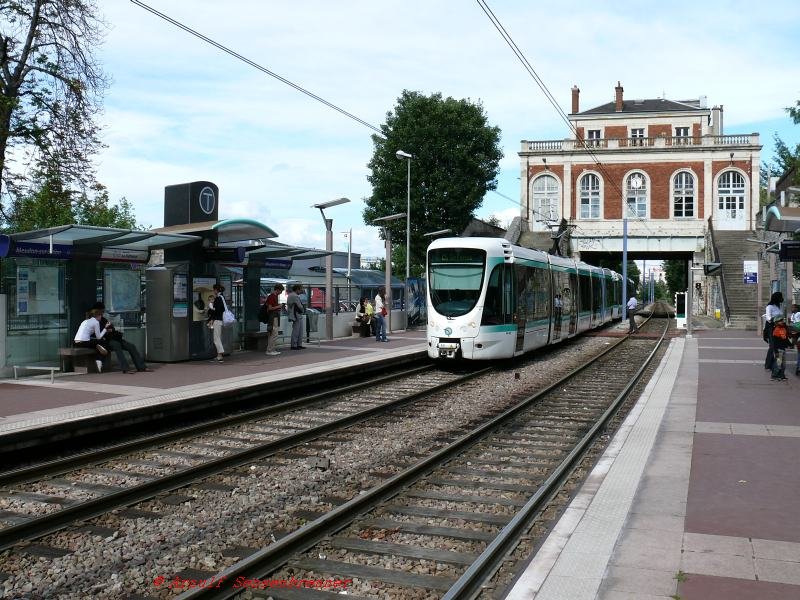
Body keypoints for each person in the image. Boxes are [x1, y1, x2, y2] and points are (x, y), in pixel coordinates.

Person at [91, 302, 149, 373]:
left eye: (103, 311)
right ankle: (125, 368)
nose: (102, 313)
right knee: (117, 345)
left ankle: (141, 367)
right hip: (106, 341)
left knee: (131, 346)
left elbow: (112, 328)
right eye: (101, 311)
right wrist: (106, 331)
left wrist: (111, 330)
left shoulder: (103, 319)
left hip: (114, 338)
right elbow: (95, 335)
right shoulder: (92, 321)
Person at [74, 308, 110, 373]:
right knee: (103, 342)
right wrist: (105, 328)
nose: (101, 317)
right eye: (101, 315)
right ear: (98, 316)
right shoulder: (96, 322)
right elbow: (99, 337)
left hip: (76, 342)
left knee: (97, 345)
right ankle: (99, 360)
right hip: (85, 342)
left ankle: (97, 347)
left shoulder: (84, 321)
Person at [764, 291, 784, 371]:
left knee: (780, 346)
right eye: (780, 297)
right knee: (773, 346)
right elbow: (768, 318)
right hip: (771, 328)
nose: (781, 299)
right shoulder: (770, 307)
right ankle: (768, 365)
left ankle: (778, 365)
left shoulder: (779, 306)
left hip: (780, 328)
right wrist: (777, 320)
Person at [207, 284, 226, 363]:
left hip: (217, 320)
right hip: (220, 320)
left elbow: (217, 310)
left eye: (214, 289)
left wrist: (211, 318)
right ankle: (219, 355)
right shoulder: (222, 297)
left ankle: (220, 354)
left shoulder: (218, 298)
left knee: (216, 338)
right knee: (218, 337)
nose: (213, 291)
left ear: (216, 290)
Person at [265, 283, 284, 356]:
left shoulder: (274, 296)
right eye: (281, 291)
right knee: (274, 334)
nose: (281, 293)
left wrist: (278, 306)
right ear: (278, 289)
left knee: (273, 334)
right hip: (273, 317)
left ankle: (272, 349)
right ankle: (270, 350)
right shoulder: (272, 296)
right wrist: (279, 306)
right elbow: (269, 308)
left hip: (275, 316)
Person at [770, 316, 792, 381]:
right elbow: (774, 342)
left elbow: (785, 339)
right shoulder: (776, 330)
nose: (782, 322)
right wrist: (775, 350)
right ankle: (774, 376)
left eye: (782, 321)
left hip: (783, 349)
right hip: (778, 350)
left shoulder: (784, 329)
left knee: (783, 364)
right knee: (778, 364)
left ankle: (782, 375)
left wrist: (790, 344)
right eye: (780, 321)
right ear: (776, 323)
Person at [286, 284, 306, 350]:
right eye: (300, 289)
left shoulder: (291, 295)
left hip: (296, 314)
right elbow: (300, 306)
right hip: (296, 314)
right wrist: (303, 310)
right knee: (297, 330)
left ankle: (298, 344)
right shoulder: (295, 296)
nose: (301, 290)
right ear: (297, 289)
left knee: (299, 330)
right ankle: (294, 345)